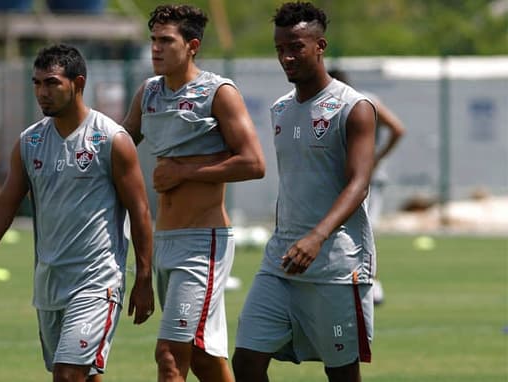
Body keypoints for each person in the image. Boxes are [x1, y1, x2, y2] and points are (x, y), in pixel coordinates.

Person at [0, 44, 154, 382]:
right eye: (36, 84)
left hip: (97, 281)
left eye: (51, 83)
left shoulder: (110, 139)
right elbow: (6, 204)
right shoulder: (29, 143)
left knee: (67, 375)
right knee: (83, 375)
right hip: (49, 283)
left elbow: (140, 210)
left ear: (78, 83)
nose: (42, 93)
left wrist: (145, 278)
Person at [232, 2, 377, 382]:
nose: (286, 57)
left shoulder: (353, 107)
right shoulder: (280, 109)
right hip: (280, 261)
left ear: (320, 46)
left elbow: (359, 184)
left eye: (296, 46)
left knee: (341, 373)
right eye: (280, 48)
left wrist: (316, 236)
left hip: (334, 267)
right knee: (246, 361)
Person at [122, 4, 266, 382]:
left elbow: (253, 163)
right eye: (153, 40)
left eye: (166, 41)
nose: (156, 48)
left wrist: (185, 170)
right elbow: (117, 150)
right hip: (164, 238)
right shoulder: (148, 93)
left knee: (170, 356)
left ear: (192, 45)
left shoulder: (217, 92)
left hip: (204, 243)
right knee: (201, 357)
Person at [329, 68, 406, 305]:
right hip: (339, 178)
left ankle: (372, 283)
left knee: (364, 229)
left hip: (366, 179)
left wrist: (377, 157)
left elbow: (397, 128)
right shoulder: (322, 106)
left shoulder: (364, 101)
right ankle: (345, 280)